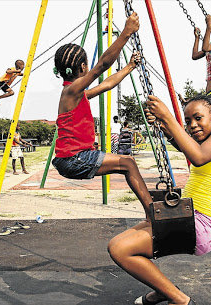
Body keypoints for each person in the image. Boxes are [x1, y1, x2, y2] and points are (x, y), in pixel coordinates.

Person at [108, 94, 211, 305]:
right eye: (187, 121)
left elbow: (197, 157)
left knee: (121, 250)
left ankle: (179, 300)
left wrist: (168, 116)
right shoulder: (208, 141)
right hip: (187, 217)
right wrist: (165, 127)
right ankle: (162, 288)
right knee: (119, 243)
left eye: (198, 118)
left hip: (202, 225)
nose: (192, 126)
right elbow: (187, 146)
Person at [50, 13, 154, 223]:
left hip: (72, 158)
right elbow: (103, 66)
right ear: (82, 68)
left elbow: (107, 84)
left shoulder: (77, 95)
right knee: (129, 164)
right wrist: (127, 32)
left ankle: (151, 212)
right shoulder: (72, 91)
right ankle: (153, 214)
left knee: (127, 164)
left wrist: (129, 67)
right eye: (87, 65)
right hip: (73, 159)